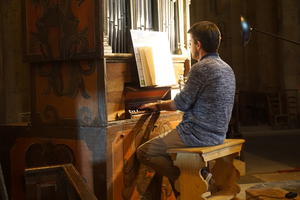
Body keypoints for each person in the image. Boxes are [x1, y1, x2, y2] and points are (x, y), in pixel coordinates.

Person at [136, 21, 236, 196]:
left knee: (144, 152)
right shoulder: (228, 69)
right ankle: (200, 176)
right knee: (170, 153)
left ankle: (186, 180)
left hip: (196, 135)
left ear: (198, 45)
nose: (190, 47)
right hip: (219, 134)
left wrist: (156, 105)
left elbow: (179, 104)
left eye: (190, 43)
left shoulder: (201, 68)